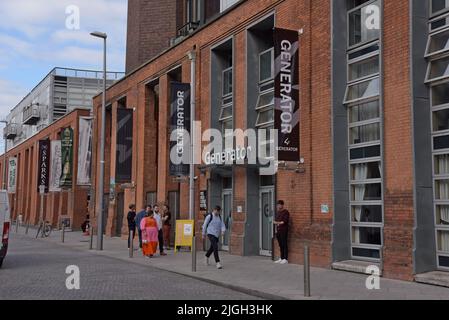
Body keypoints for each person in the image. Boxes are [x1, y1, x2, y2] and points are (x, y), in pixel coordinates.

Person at [274, 200, 290, 265]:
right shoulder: (278, 212)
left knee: (284, 244)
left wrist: (277, 222)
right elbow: (276, 220)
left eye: (279, 205)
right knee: (280, 245)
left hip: (283, 230)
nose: (278, 206)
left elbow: (285, 221)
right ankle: (281, 257)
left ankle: (285, 259)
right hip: (278, 231)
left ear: (282, 205)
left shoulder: (286, 212)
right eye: (277, 205)